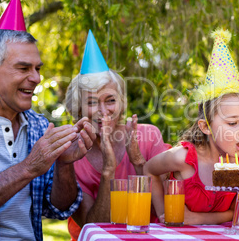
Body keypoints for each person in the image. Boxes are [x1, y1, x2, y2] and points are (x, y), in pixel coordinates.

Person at [0, 0, 95, 240]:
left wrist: (63, 163)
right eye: (23, 68)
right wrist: (29, 167)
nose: (37, 78)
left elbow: (60, 209)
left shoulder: (40, 126)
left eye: (37, 68)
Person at [66, 30, 170, 240]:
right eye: (92, 102)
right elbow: (92, 227)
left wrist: (139, 161)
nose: (103, 111)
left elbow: (168, 210)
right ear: (78, 110)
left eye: (110, 100)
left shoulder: (149, 136)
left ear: (121, 104)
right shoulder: (71, 153)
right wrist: (108, 170)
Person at [144, 29, 239, 225]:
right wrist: (164, 213)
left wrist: (196, 218)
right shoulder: (182, 158)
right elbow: (149, 169)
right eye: (232, 123)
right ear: (205, 126)